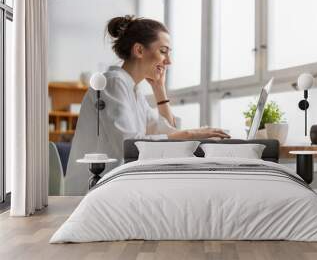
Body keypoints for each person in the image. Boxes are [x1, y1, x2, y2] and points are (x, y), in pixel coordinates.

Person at [64, 15, 230, 195]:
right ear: (139, 50)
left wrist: (159, 89)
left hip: (118, 186)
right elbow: (129, 144)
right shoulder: (112, 84)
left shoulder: (133, 92)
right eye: (163, 51)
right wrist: (191, 134)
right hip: (93, 191)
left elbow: (168, 132)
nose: (169, 61)